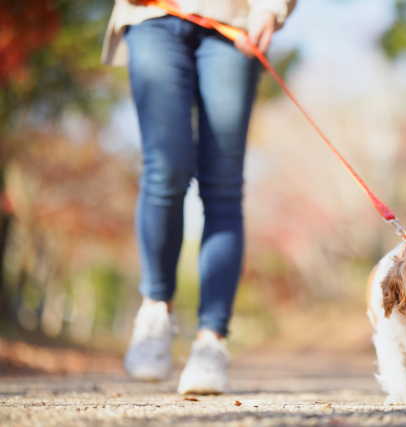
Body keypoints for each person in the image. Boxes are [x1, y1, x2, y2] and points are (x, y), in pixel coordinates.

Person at [101, 0, 295, 394]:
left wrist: (271, 9)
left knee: (223, 184)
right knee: (165, 167)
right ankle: (156, 309)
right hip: (152, 15)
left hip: (234, 23)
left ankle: (211, 342)